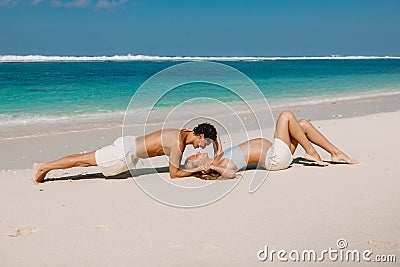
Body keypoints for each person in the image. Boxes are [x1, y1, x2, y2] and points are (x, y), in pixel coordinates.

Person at [184, 110, 357, 179]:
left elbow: (215, 136)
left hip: (278, 153)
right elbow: (230, 174)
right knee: (286, 116)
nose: (196, 152)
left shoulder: (218, 156)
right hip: (275, 159)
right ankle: (311, 151)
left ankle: (336, 153)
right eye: (194, 157)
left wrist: (197, 133)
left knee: (302, 124)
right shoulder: (219, 164)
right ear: (201, 166)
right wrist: (208, 168)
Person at [33, 123, 222, 183]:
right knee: (83, 161)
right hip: (125, 153)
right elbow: (174, 174)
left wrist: (218, 144)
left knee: (88, 161)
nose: (203, 147)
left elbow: (207, 134)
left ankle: (46, 167)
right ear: (201, 135)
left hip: (130, 145)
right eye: (205, 143)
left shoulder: (184, 131)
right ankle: (44, 167)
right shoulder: (178, 143)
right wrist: (198, 171)